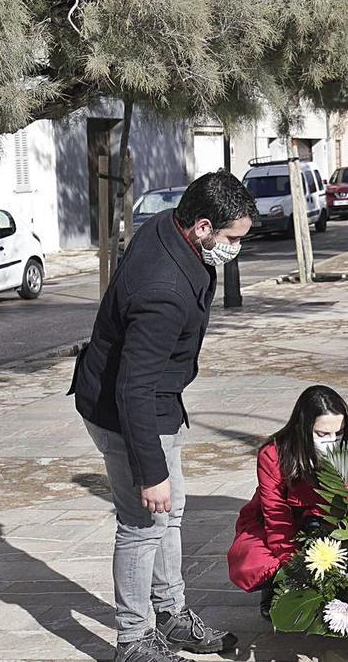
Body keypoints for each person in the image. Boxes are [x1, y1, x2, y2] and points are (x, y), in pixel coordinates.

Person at [71, 172, 256, 662]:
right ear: (201, 226)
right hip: (126, 411)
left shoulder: (170, 230)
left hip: (156, 403)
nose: (237, 248)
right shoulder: (164, 289)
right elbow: (134, 389)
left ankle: (170, 615)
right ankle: (133, 639)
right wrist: (150, 473)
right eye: (233, 238)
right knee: (142, 521)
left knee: (171, 512)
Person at [227, 386, 348, 618]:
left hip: (331, 522)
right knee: (255, 558)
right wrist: (294, 565)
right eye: (322, 435)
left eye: (338, 434)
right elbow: (276, 515)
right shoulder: (274, 454)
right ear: (303, 428)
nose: (332, 442)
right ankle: (275, 587)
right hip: (282, 522)